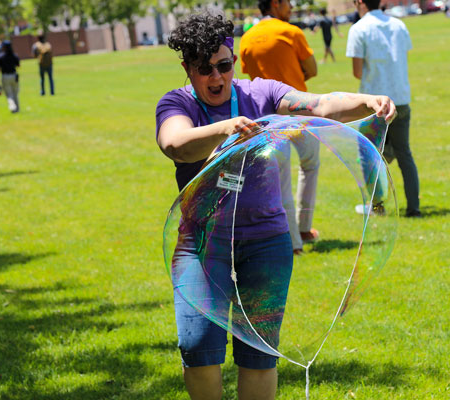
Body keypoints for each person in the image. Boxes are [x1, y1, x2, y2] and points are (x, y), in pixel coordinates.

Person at [156, 12, 396, 400]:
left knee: (259, 353)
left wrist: (368, 100)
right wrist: (224, 128)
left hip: (266, 238)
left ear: (233, 58)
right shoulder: (176, 104)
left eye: (223, 65)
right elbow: (175, 143)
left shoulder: (261, 93)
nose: (216, 78)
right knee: (198, 346)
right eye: (204, 70)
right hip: (202, 242)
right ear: (187, 68)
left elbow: (320, 105)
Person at [239, 0, 321, 254]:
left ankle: (294, 243)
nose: (291, 7)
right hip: (297, 111)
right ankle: (304, 227)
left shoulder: (246, 38)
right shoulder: (290, 31)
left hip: (265, 117)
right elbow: (312, 69)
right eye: (287, 2)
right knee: (310, 165)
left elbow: (248, 75)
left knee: (280, 178)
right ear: (275, 4)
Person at [346, 0, 421, 218]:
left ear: (359, 2)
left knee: (369, 155)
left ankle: (378, 208)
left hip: (374, 104)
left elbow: (357, 72)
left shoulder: (358, 28)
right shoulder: (399, 24)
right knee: (404, 152)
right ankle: (413, 208)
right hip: (401, 98)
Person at [0, 40, 20, 113]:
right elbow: (18, 65)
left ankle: (12, 106)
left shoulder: (0, 57)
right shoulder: (14, 55)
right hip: (14, 75)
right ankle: (17, 109)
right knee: (15, 94)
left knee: (9, 94)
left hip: (5, 76)